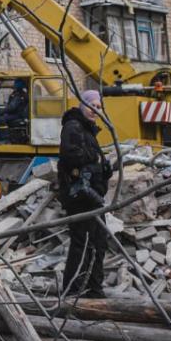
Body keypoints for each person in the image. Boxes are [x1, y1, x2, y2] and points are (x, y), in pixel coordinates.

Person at [57, 89, 112, 299]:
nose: (95, 110)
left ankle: (94, 289)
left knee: (99, 242)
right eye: (92, 106)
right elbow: (72, 156)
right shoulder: (73, 126)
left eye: (98, 107)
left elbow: (90, 160)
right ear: (83, 105)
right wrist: (96, 161)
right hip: (80, 197)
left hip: (94, 196)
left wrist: (104, 168)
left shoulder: (88, 130)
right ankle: (73, 292)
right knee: (82, 244)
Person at [0, 79, 29, 143]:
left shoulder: (19, 95)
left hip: (17, 114)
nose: (13, 85)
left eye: (15, 84)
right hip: (17, 113)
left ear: (17, 86)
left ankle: (5, 138)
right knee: (3, 116)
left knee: (1, 120)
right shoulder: (19, 94)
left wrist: (1, 111)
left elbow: (12, 107)